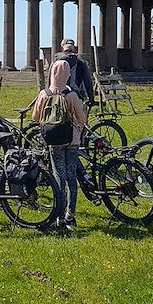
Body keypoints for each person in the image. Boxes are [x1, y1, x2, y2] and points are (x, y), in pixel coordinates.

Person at [32, 60, 87, 230]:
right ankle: (70, 216)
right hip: (72, 141)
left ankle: (59, 218)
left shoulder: (44, 94)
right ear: (68, 75)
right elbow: (82, 119)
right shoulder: (71, 95)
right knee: (72, 177)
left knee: (58, 177)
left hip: (53, 141)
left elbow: (35, 117)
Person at [53, 38, 96, 104]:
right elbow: (87, 81)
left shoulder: (55, 61)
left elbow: (51, 79)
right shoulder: (81, 62)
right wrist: (91, 98)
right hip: (75, 94)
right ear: (74, 49)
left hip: (57, 95)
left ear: (62, 49)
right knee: (78, 113)